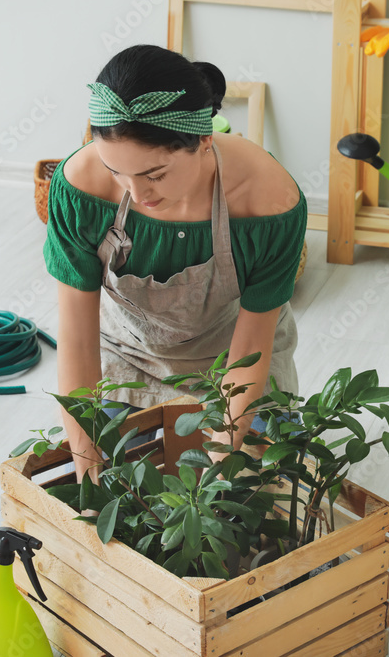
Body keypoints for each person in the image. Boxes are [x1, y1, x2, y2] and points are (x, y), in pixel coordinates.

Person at [42, 44, 307, 483]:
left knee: (258, 489)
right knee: (113, 482)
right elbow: (77, 341)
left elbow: (248, 351)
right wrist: (87, 467)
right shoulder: (79, 187)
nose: (135, 192)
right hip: (127, 353)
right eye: (115, 171)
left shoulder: (269, 201)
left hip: (233, 360)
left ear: (204, 140)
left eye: (155, 174)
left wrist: (221, 466)